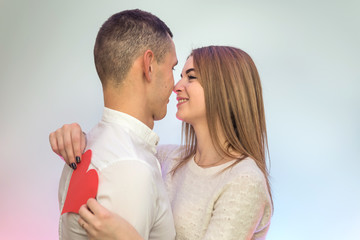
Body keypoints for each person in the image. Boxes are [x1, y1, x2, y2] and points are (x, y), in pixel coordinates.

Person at [50, 46, 273, 239]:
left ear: (226, 90)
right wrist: (78, 137)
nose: (176, 86)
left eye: (191, 77)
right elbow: (118, 150)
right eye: (180, 74)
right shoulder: (168, 158)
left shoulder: (245, 181)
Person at [53, 9, 178, 240]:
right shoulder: (132, 167)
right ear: (149, 65)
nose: (175, 83)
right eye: (173, 68)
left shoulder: (88, 146)